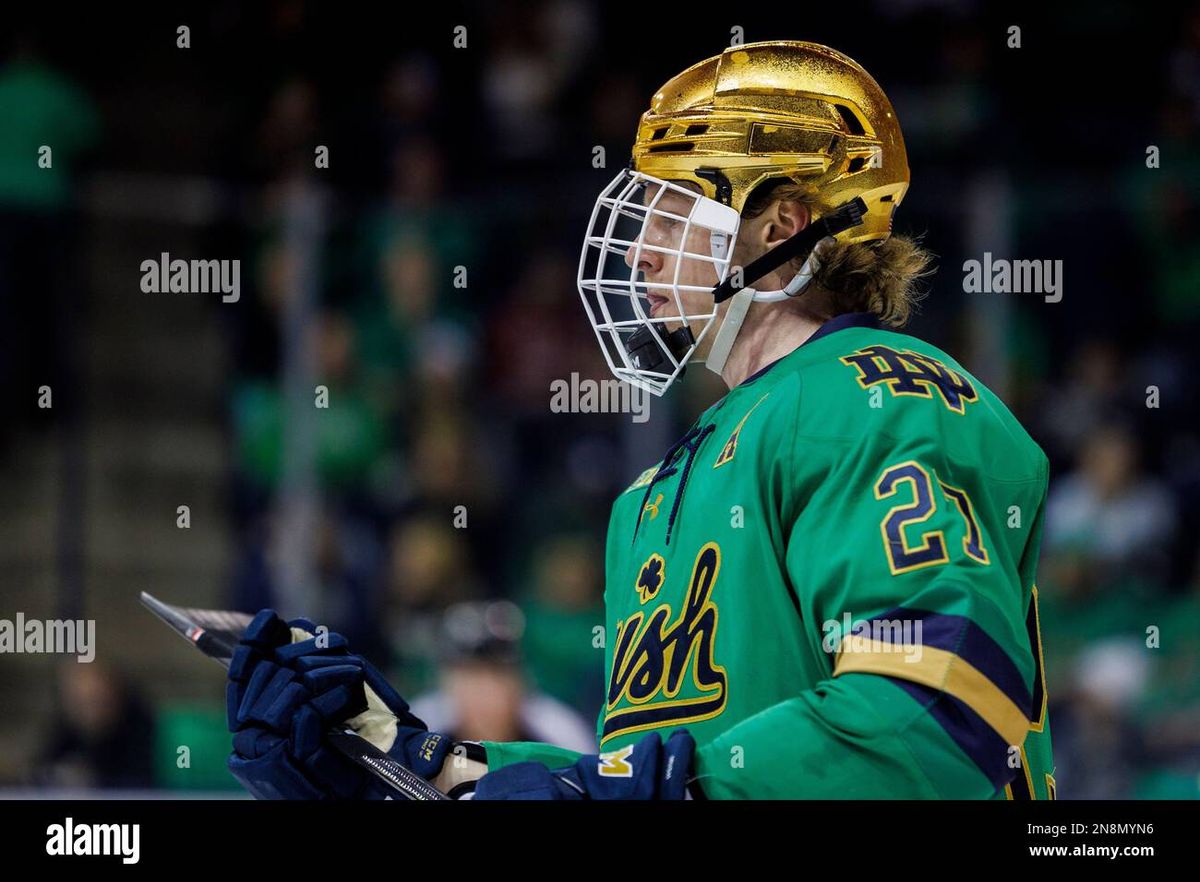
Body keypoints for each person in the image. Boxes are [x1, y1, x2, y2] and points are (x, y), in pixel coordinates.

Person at [225, 40, 1054, 800]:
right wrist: (413, 764)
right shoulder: (656, 492)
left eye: (669, 214)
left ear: (784, 225)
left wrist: (637, 792)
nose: (639, 251)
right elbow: (647, 770)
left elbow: (938, 703)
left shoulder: (874, 396)